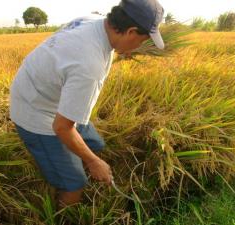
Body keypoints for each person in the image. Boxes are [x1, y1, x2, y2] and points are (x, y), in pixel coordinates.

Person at [9, 0, 164, 208]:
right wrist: (93, 162)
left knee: (96, 145)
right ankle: (65, 210)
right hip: (35, 111)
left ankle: (69, 162)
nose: (141, 47)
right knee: (75, 182)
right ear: (131, 31)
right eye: (142, 40)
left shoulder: (94, 20)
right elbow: (62, 127)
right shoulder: (89, 67)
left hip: (48, 93)